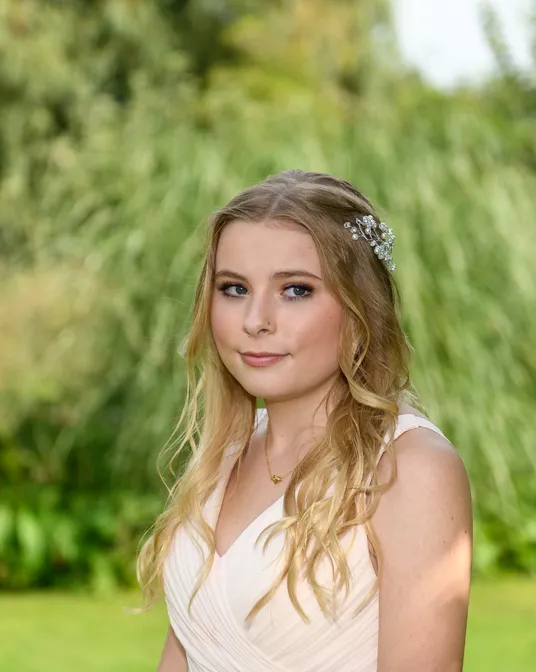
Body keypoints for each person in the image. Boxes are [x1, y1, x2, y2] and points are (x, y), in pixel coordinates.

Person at [136, 170, 473, 671]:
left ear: (360, 308)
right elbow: (189, 647)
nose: (256, 320)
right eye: (234, 288)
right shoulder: (223, 457)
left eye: (295, 290)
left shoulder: (410, 469)